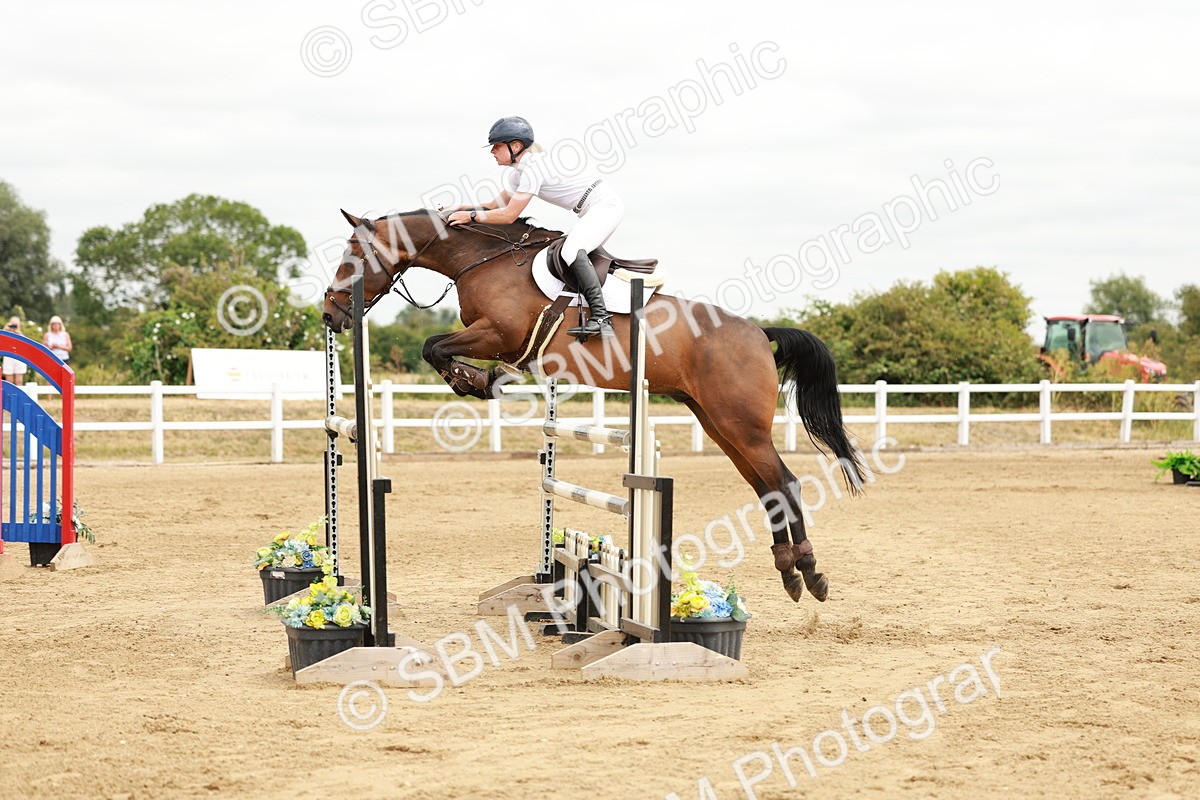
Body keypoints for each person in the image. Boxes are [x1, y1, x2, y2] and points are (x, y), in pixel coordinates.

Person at [444, 116, 623, 339]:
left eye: (497, 146)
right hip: (590, 208)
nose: (492, 151)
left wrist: (470, 216)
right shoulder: (518, 173)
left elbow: (509, 216)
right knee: (569, 252)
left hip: (604, 206)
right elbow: (493, 205)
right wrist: (459, 207)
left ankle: (602, 318)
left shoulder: (532, 169)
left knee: (570, 250)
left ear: (516, 146)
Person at [2, 317, 28, 385]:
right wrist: (4, 330)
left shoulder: (22, 335)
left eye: (16, 324)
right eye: (12, 324)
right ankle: (9, 395)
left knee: (19, 380)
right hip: (8, 357)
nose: (14, 326)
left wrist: (19, 332)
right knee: (9, 381)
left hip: (19, 357)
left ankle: (19, 395)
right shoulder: (5, 334)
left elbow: (26, 343)